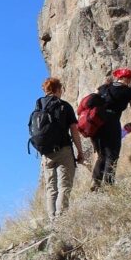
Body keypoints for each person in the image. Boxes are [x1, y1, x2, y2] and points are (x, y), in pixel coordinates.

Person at [36, 77, 85, 219]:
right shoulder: (64, 105)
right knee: (64, 185)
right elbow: (74, 130)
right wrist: (80, 151)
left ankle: (52, 219)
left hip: (46, 153)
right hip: (63, 150)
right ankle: (61, 218)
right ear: (58, 89)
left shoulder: (39, 106)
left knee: (51, 188)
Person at [91, 68, 131, 190]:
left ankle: (95, 182)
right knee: (112, 154)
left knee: (101, 154)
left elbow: (92, 102)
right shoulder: (128, 91)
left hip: (96, 123)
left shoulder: (103, 88)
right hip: (112, 122)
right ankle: (109, 186)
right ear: (128, 79)